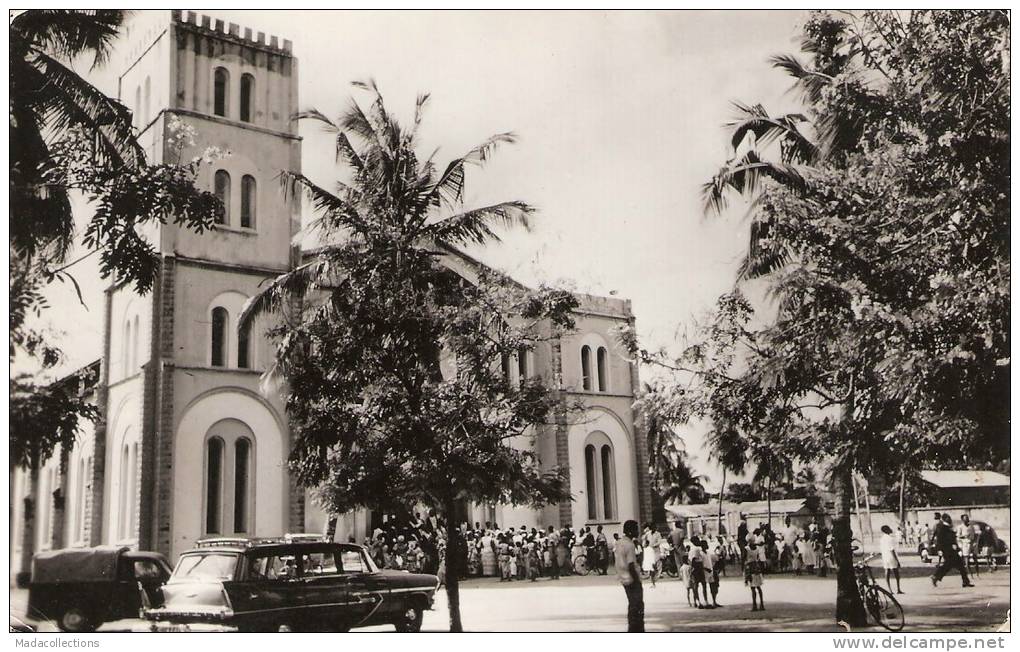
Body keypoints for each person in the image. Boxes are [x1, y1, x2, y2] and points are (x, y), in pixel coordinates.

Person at [615, 520, 644, 632]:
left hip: (623, 577)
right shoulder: (630, 545)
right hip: (632, 578)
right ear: (631, 531)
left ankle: (632, 627)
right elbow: (631, 564)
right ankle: (637, 629)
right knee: (638, 604)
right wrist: (637, 580)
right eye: (636, 529)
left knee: (632, 604)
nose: (638, 531)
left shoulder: (619, 542)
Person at [932, 514, 974, 588]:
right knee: (952, 565)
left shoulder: (949, 527)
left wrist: (957, 548)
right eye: (948, 518)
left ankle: (936, 576)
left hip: (952, 550)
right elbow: (940, 540)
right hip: (947, 551)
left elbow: (953, 539)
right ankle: (936, 576)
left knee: (952, 566)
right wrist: (940, 549)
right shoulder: (943, 528)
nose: (950, 519)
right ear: (945, 519)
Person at [879, 525, 904, 594]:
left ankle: (889, 590)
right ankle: (898, 589)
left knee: (887, 571)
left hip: (885, 557)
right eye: (889, 528)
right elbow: (892, 550)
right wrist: (897, 560)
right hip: (891, 557)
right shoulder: (890, 538)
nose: (891, 529)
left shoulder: (881, 539)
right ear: (887, 530)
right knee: (896, 572)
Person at [745, 536, 765, 611]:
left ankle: (754, 605)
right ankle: (762, 604)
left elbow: (744, 559)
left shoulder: (747, 549)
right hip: (756, 567)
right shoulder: (756, 548)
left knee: (752, 588)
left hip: (750, 567)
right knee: (758, 587)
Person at [688, 535, 709, 608]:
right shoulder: (695, 549)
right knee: (700, 585)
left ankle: (699, 601)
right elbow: (694, 560)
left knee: (697, 586)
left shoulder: (693, 549)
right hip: (697, 568)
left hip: (697, 568)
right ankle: (702, 601)